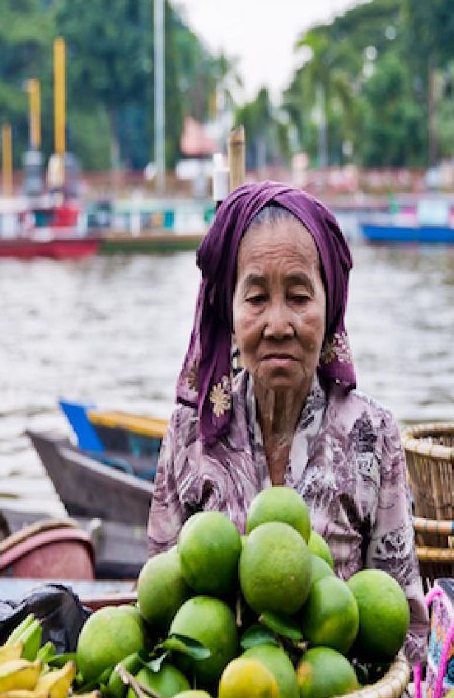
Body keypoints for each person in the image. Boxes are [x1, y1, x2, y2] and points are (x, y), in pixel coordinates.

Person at [147, 182, 427, 665]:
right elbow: (156, 611)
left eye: (298, 297)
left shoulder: (372, 436)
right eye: (256, 298)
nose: (278, 324)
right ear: (229, 312)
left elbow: (406, 626)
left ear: (330, 306)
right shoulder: (188, 436)